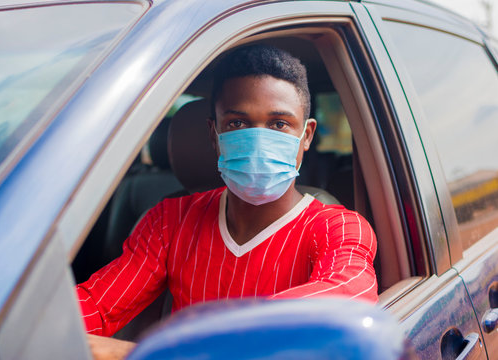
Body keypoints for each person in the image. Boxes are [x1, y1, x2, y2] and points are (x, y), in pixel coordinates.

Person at [76, 45, 378, 358]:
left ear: (306, 135)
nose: (259, 140)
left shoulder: (340, 228)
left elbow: (346, 295)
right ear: (214, 133)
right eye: (237, 123)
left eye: (278, 124)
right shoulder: (170, 220)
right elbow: (99, 305)